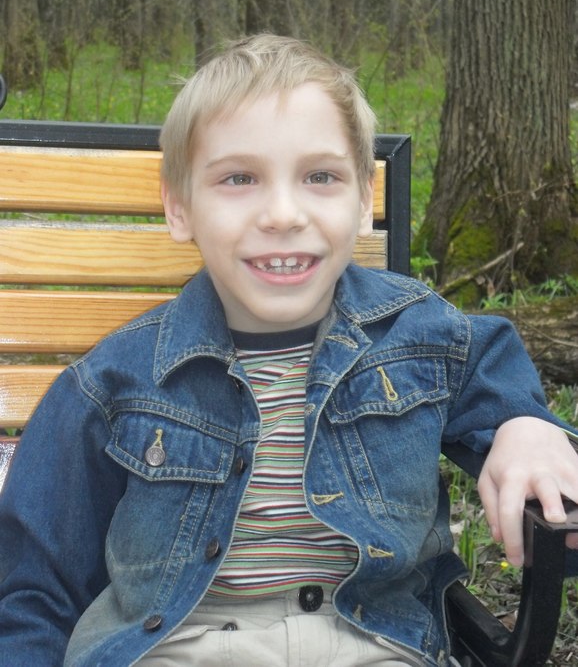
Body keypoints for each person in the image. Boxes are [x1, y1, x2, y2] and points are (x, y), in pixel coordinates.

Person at [0, 34, 577, 667]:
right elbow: (34, 588)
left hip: (373, 645)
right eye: (239, 178)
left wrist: (526, 427)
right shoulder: (112, 382)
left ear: (364, 200)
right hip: (181, 648)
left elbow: (492, 370)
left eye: (320, 177)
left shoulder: (419, 335)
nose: (282, 213)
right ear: (180, 207)